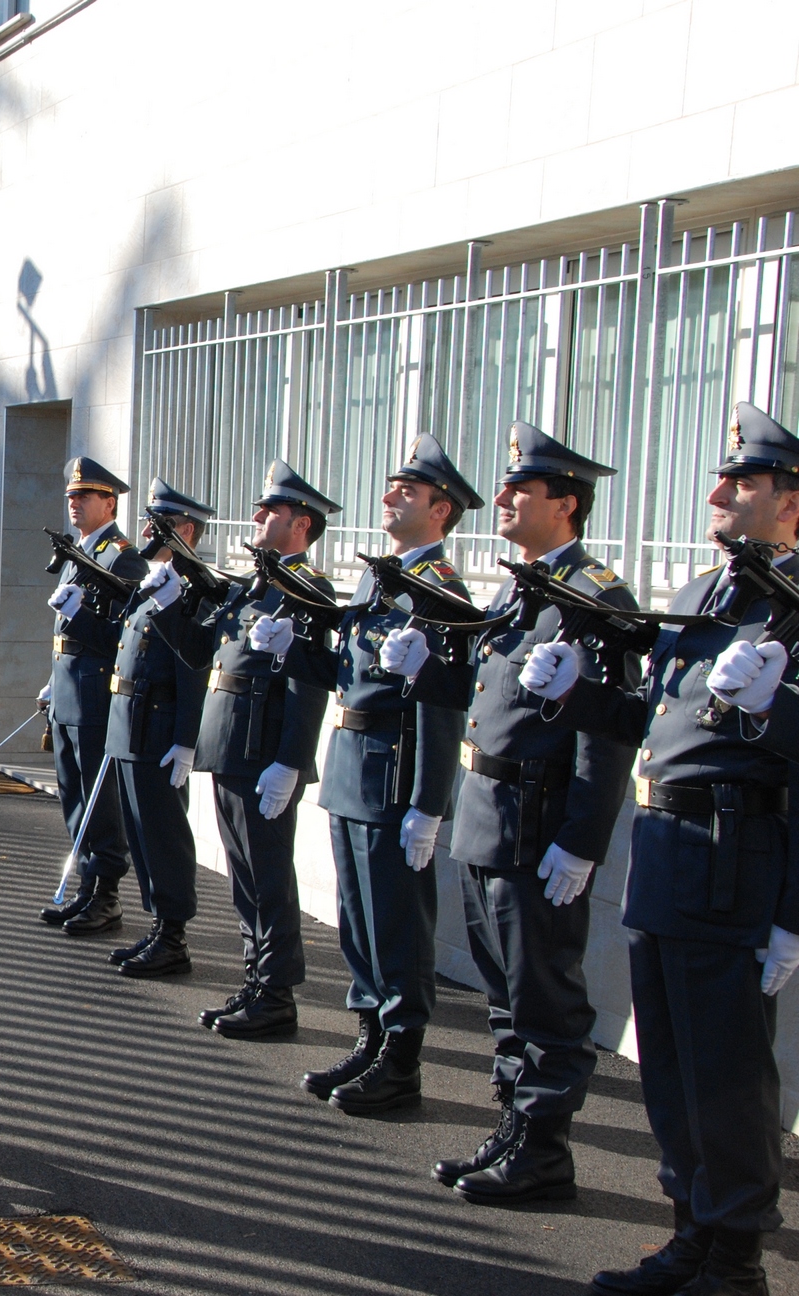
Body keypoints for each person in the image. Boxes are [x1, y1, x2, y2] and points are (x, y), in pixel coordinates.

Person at [519, 402, 799, 1296]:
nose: (717, 493)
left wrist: (793, 916)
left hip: (736, 855)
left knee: (726, 1071)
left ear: (792, 503)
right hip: (668, 849)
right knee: (670, 1065)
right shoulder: (705, 594)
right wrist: (577, 698)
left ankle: (737, 1257)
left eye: (742, 483)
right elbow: (656, 722)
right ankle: (691, 1231)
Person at [379, 422, 636, 1204]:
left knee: (545, 998)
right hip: (488, 812)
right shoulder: (518, 588)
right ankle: (513, 1128)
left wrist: (583, 841)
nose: (504, 499)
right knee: (503, 996)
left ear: (565, 504)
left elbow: (606, 730)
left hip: (538, 824)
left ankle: (545, 1152)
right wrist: (425, 673)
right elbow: (490, 698)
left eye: (522, 489)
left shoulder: (597, 599)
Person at [253, 434, 476, 1114]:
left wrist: (429, 803)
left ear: (442, 511)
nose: (388, 497)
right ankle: (370, 1035)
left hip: (394, 778)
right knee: (359, 920)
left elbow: (442, 707)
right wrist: (293, 651)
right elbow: (352, 676)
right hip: (354, 772)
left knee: (398, 926)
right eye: (392, 486)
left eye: (406, 491)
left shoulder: (440, 591)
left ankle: (401, 1062)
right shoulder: (380, 580)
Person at [144, 459, 339, 1039]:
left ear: (301, 525)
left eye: (271, 510)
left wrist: (292, 759)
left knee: (270, 877)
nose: (256, 516)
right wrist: (168, 604)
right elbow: (203, 653)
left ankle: (277, 994)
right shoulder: (254, 584)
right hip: (229, 748)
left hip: (265, 754)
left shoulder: (310, 590)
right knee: (244, 876)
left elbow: (309, 686)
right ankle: (257, 979)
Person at [105, 478, 213, 979]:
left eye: (159, 523)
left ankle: (174, 937)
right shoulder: (156, 584)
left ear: (184, 530)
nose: (146, 529)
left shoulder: (194, 591)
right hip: (130, 728)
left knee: (165, 836)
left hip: (161, 730)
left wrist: (187, 742)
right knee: (142, 834)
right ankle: (157, 925)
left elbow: (195, 671)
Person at [37, 457, 148, 937]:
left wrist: (80, 618)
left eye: (85, 496)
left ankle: (105, 897)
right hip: (67, 693)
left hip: (95, 698)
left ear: (110, 502)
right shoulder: (80, 550)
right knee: (74, 799)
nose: (74, 503)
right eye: (71, 496)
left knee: (98, 803)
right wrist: (50, 680)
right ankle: (86, 886)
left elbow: (124, 638)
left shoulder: (122, 557)